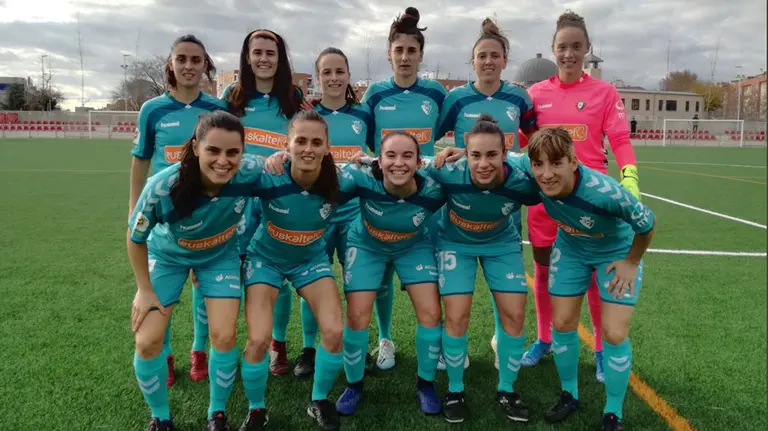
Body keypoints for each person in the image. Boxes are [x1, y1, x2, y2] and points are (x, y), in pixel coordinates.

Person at [263, 131, 446, 417]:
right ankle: (354, 385)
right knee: (357, 315)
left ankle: (426, 384)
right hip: (366, 246)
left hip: (413, 247)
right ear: (379, 161)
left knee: (431, 313)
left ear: (419, 161)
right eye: (391, 156)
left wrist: (455, 153)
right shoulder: (361, 178)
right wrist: (284, 159)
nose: (399, 163)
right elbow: (316, 175)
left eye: (407, 156)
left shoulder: (434, 187)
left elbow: (478, 167)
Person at [518, 11, 642, 382]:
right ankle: (544, 339)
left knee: (591, 275)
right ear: (553, 51)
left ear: (587, 49)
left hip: (591, 202)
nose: (569, 53)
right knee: (543, 272)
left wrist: (630, 179)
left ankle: (602, 350)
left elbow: (619, 139)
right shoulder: (535, 95)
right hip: (548, 200)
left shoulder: (604, 93)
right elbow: (524, 143)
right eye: (562, 47)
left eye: (576, 46)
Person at [128, 111, 259, 431]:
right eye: (213, 150)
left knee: (224, 336)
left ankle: (217, 414)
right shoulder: (162, 186)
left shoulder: (251, 172)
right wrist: (145, 290)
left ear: (243, 152)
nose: (223, 161)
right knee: (147, 341)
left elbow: (292, 168)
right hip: (168, 257)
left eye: (233, 152)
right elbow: (135, 238)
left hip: (220, 256)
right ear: (196, 147)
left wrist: (282, 156)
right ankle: (160, 418)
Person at [523, 127, 656, 431]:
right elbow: (500, 159)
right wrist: (456, 152)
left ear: (573, 161)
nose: (546, 174)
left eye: (556, 163)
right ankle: (570, 394)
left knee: (613, 333)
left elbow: (648, 223)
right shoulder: (532, 171)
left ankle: (613, 411)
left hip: (615, 252)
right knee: (563, 323)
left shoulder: (605, 193)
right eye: (539, 165)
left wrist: (631, 263)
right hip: (571, 249)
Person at [222, 110, 346, 431]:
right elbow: (227, 163)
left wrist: (449, 155)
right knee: (259, 340)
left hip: (311, 261)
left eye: (316, 142)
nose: (308, 148)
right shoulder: (268, 174)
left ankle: (319, 400)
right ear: (287, 144)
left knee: (334, 332)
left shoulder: (342, 179)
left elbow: (391, 164)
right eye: (300, 141)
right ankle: (257, 409)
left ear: (328, 146)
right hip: (266, 259)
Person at [434, 17, 537, 371]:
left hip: (504, 201)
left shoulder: (519, 97)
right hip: (462, 201)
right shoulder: (457, 98)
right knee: (456, 288)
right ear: (472, 62)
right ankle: (455, 348)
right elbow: (433, 138)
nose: (488, 61)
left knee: (503, 278)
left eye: (495, 55)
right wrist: (462, 155)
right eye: (482, 56)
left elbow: (535, 144)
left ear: (505, 60)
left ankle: (499, 341)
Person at [424, 114, 541, 424]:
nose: (484, 163)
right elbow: (399, 161)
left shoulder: (521, 180)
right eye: (475, 155)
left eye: (492, 155)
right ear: (465, 150)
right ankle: (455, 390)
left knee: (514, 315)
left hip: (501, 244)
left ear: (505, 154)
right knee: (457, 315)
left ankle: (507, 389)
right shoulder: (448, 170)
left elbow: (550, 167)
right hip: (455, 244)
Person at [129, 34, 227, 388]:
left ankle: (198, 351)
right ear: (170, 64)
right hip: (164, 217)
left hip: (210, 217)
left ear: (205, 66)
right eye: (181, 59)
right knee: (162, 294)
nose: (188, 66)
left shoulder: (218, 109)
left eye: (196, 60)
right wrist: (133, 210)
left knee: (204, 286)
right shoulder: (152, 110)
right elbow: (140, 162)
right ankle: (166, 354)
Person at [359, 5, 448, 371]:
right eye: (399, 50)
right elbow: (365, 139)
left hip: (426, 198)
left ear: (421, 54)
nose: (405, 57)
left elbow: (444, 131)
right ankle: (385, 340)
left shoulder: (437, 93)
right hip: (385, 194)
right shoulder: (375, 94)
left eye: (412, 50)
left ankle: (437, 344)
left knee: (432, 271)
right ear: (389, 53)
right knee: (380, 276)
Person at [221, 28, 306, 378]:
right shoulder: (232, 95)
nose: (264, 59)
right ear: (247, 56)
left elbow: (304, 138)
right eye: (257, 52)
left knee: (278, 275)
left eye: (270, 53)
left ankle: (278, 344)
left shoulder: (294, 96)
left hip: (276, 199)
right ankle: (209, 347)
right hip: (235, 199)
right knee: (222, 270)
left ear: (280, 58)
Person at [304, 47, 376, 376]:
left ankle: (357, 346)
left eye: (339, 71)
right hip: (316, 211)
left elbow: (377, 156)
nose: (333, 78)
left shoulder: (363, 114)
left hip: (353, 212)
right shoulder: (307, 115)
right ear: (318, 77)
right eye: (326, 72)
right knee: (313, 281)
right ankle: (308, 348)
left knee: (357, 282)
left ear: (348, 75)